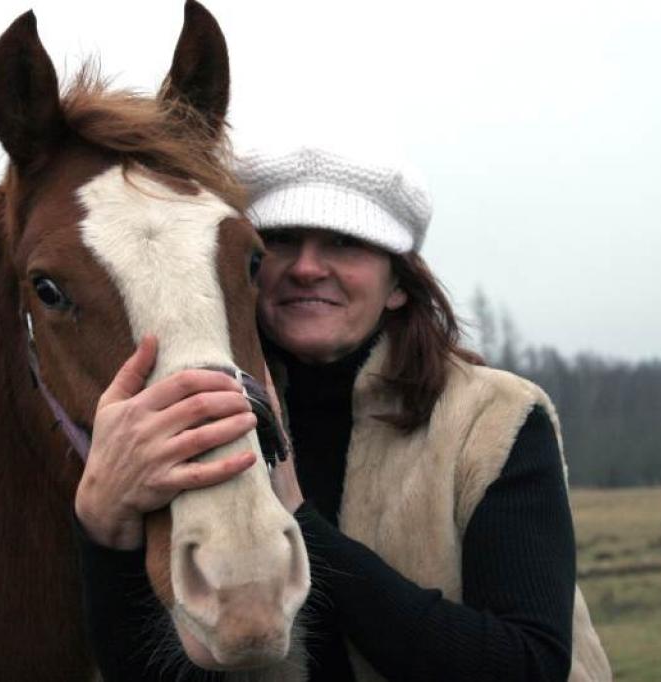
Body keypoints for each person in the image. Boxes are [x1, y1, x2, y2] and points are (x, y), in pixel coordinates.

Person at [74, 147, 611, 681]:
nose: (308, 268)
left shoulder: (496, 419)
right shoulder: (196, 422)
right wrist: (106, 533)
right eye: (280, 241)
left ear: (399, 284)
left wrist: (298, 519)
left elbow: (527, 666)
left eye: (346, 243)